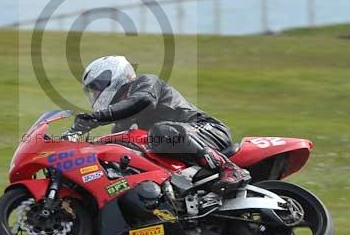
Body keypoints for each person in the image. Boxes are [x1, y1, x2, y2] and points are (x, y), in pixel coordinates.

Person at [73, 55, 250, 195]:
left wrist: (95, 118)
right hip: (180, 150)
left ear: (113, 77)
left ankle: (230, 169)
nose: (95, 95)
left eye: (97, 88)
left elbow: (143, 100)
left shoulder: (145, 83)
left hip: (207, 130)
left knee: (161, 131)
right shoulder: (123, 121)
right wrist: (84, 147)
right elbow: (113, 145)